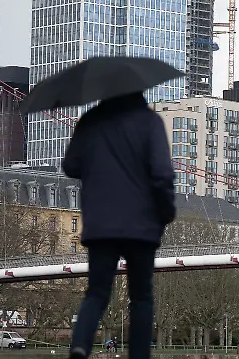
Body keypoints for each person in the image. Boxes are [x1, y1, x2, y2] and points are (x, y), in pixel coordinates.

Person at [62, 92, 176, 359]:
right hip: (142, 225)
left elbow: (70, 166)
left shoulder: (90, 121)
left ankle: (79, 346)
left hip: (101, 224)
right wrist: (166, 212)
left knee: (97, 292)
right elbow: (162, 174)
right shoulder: (150, 123)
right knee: (141, 297)